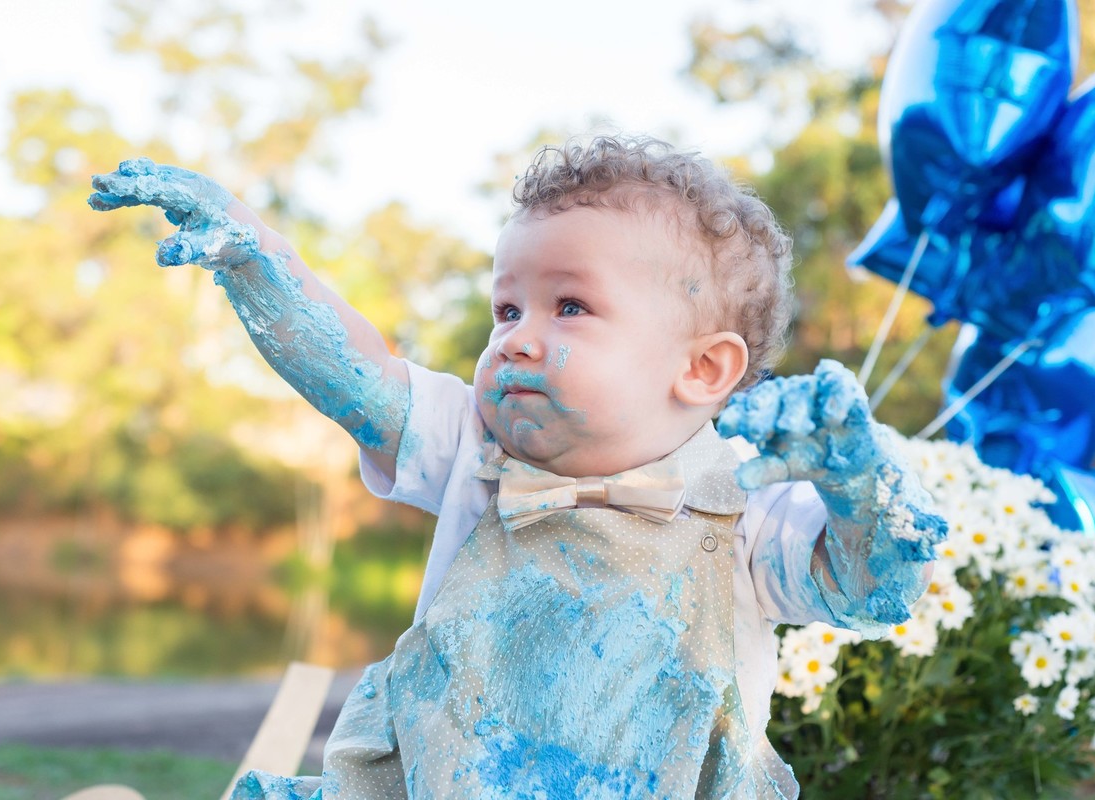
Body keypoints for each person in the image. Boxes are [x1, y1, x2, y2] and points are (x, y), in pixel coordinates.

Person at [88, 135, 946, 800]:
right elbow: (357, 380)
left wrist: (857, 483)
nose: (516, 336)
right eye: (507, 307)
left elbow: (872, 587)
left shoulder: (752, 512)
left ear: (702, 370)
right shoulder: (474, 451)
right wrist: (257, 259)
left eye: (570, 305)